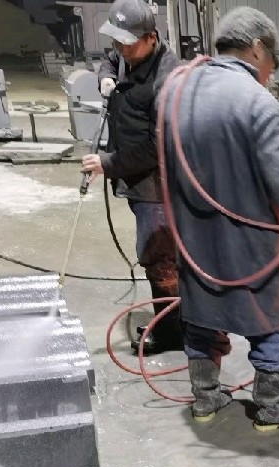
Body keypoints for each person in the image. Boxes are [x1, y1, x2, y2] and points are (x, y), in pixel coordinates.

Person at [161, 6, 279, 431]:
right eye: (271, 65)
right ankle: (270, 407)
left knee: (201, 316)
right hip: (248, 245)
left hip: (192, 239)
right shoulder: (258, 102)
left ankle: (205, 400)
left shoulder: (177, 92)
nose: (269, 74)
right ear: (258, 49)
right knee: (271, 320)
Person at [81, 0, 182, 354]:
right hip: (136, 178)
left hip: (159, 184)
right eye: (116, 42)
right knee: (159, 254)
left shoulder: (167, 81)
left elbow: (158, 147)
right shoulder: (129, 51)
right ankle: (175, 322)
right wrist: (105, 77)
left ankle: (172, 333)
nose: (120, 50)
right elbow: (111, 59)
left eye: (127, 43)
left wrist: (107, 163)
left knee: (159, 256)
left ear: (151, 37)